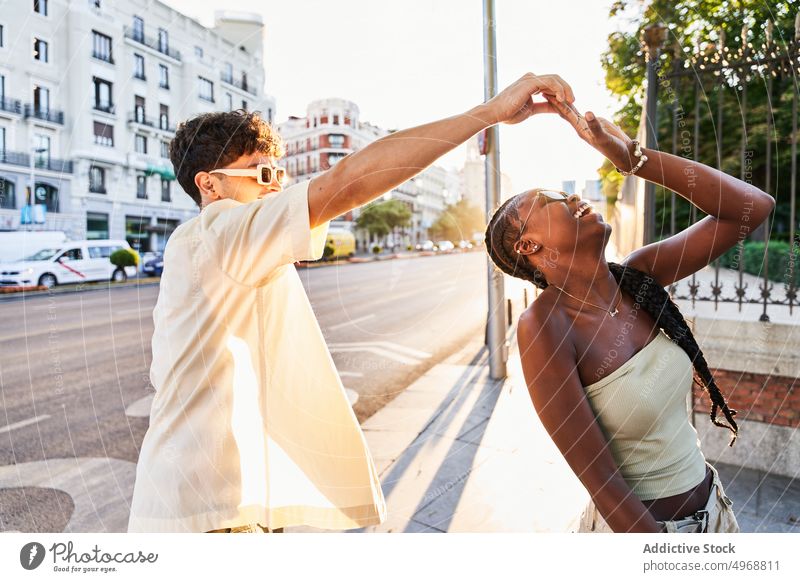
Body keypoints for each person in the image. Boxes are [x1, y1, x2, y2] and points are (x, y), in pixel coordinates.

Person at [127, 73, 576, 533]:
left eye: (280, 174)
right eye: (263, 174)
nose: (276, 187)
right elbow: (350, 180)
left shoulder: (214, 244)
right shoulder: (220, 230)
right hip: (202, 514)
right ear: (209, 185)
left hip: (208, 505)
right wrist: (490, 113)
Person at [485, 97, 775, 533]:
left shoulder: (639, 276)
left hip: (715, 513)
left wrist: (631, 158)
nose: (574, 197)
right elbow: (603, 484)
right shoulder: (545, 327)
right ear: (528, 247)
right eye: (551, 200)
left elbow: (751, 207)